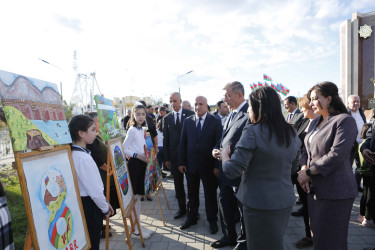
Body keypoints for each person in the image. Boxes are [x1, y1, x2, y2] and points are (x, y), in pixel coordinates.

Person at [222, 86, 300, 250]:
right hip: (284, 200)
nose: (248, 110)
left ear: (259, 108)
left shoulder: (252, 131)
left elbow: (232, 170)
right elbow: (293, 168)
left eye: (250, 106)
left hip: (258, 204)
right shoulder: (291, 132)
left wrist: (225, 156)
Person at [298, 81, 358, 250]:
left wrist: (308, 172)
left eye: (315, 99)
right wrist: (304, 170)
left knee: (333, 241)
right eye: (310, 99)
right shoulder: (315, 121)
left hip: (336, 192)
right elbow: (306, 150)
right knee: (319, 238)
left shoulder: (344, 121)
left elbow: (336, 154)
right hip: (315, 191)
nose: (311, 103)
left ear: (329, 99)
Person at [211, 81, 249, 249]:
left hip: (239, 172)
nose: (224, 99)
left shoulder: (249, 114)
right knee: (224, 204)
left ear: (239, 94)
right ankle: (228, 237)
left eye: (228, 95)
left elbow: (248, 144)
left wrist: (228, 155)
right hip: (225, 169)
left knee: (242, 211)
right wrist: (217, 150)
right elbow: (224, 139)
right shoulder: (230, 115)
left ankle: (244, 242)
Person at [69, 115, 114, 250]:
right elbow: (94, 191)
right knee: (92, 242)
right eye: (93, 129)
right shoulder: (82, 158)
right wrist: (105, 208)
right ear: (81, 133)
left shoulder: (75, 154)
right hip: (89, 205)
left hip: (84, 203)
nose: (96, 132)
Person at [178, 96, 222, 234]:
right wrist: (181, 162)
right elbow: (182, 143)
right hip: (191, 166)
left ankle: (212, 221)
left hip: (209, 167)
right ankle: (191, 218)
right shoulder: (187, 122)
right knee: (192, 195)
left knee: (210, 195)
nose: (198, 107)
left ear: (207, 105)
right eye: (195, 104)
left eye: (201, 104)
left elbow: (219, 144)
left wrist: (217, 166)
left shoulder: (215, 121)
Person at [122, 104, 154, 239]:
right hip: (135, 165)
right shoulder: (132, 130)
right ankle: (135, 229)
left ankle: (138, 224)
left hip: (142, 164)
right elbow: (123, 148)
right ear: (133, 116)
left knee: (138, 197)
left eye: (143, 114)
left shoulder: (141, 130)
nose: (141, 117)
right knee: (135, 197)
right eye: (138, 114)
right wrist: (136, 155)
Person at [86, 112, 120, 238]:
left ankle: (101, 225)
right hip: (102, 175)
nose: (100, 123)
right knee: (99, 202)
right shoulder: (91, 140)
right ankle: (99, 229)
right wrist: (110, 170)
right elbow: (97, 160)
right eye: (97, 121)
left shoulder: (97, 136)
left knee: (104, 200)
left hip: (105, 175)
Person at [162, 92, 194, 219]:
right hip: (174, 158)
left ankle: (193, 210)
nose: (172, 104)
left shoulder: (191, 115)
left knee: (192, 185)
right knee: (178, 185)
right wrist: (166, 158)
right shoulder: (167, 118)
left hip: (189, 157)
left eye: (175, 101)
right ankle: (182, 209)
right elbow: (166, 140)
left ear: (180, 101)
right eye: (170, 101)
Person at [291, 95, 317, 249]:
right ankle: (309, 234)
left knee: (313, 205)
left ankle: (314, 235)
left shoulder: (321, 123)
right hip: (299, 170)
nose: (301, 110)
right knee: (306, 204)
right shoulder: (304, 122)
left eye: (303, 107)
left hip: (312, 171)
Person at [347, 95, 367, 192]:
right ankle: (348, 187)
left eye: (357, 101)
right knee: (348, 166)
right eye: (353, 102)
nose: (356, 103)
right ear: (348, 104)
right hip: (351, 145)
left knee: (360, 166)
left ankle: (356, 185)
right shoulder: (346, 114)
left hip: (361, 144)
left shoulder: (361, 112)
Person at [358, 123, 374, 227]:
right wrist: (365, 148)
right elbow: (369, 137)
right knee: (368, 194)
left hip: (367, 171)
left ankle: (365, 216)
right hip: (370, 170)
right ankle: (367, 217)